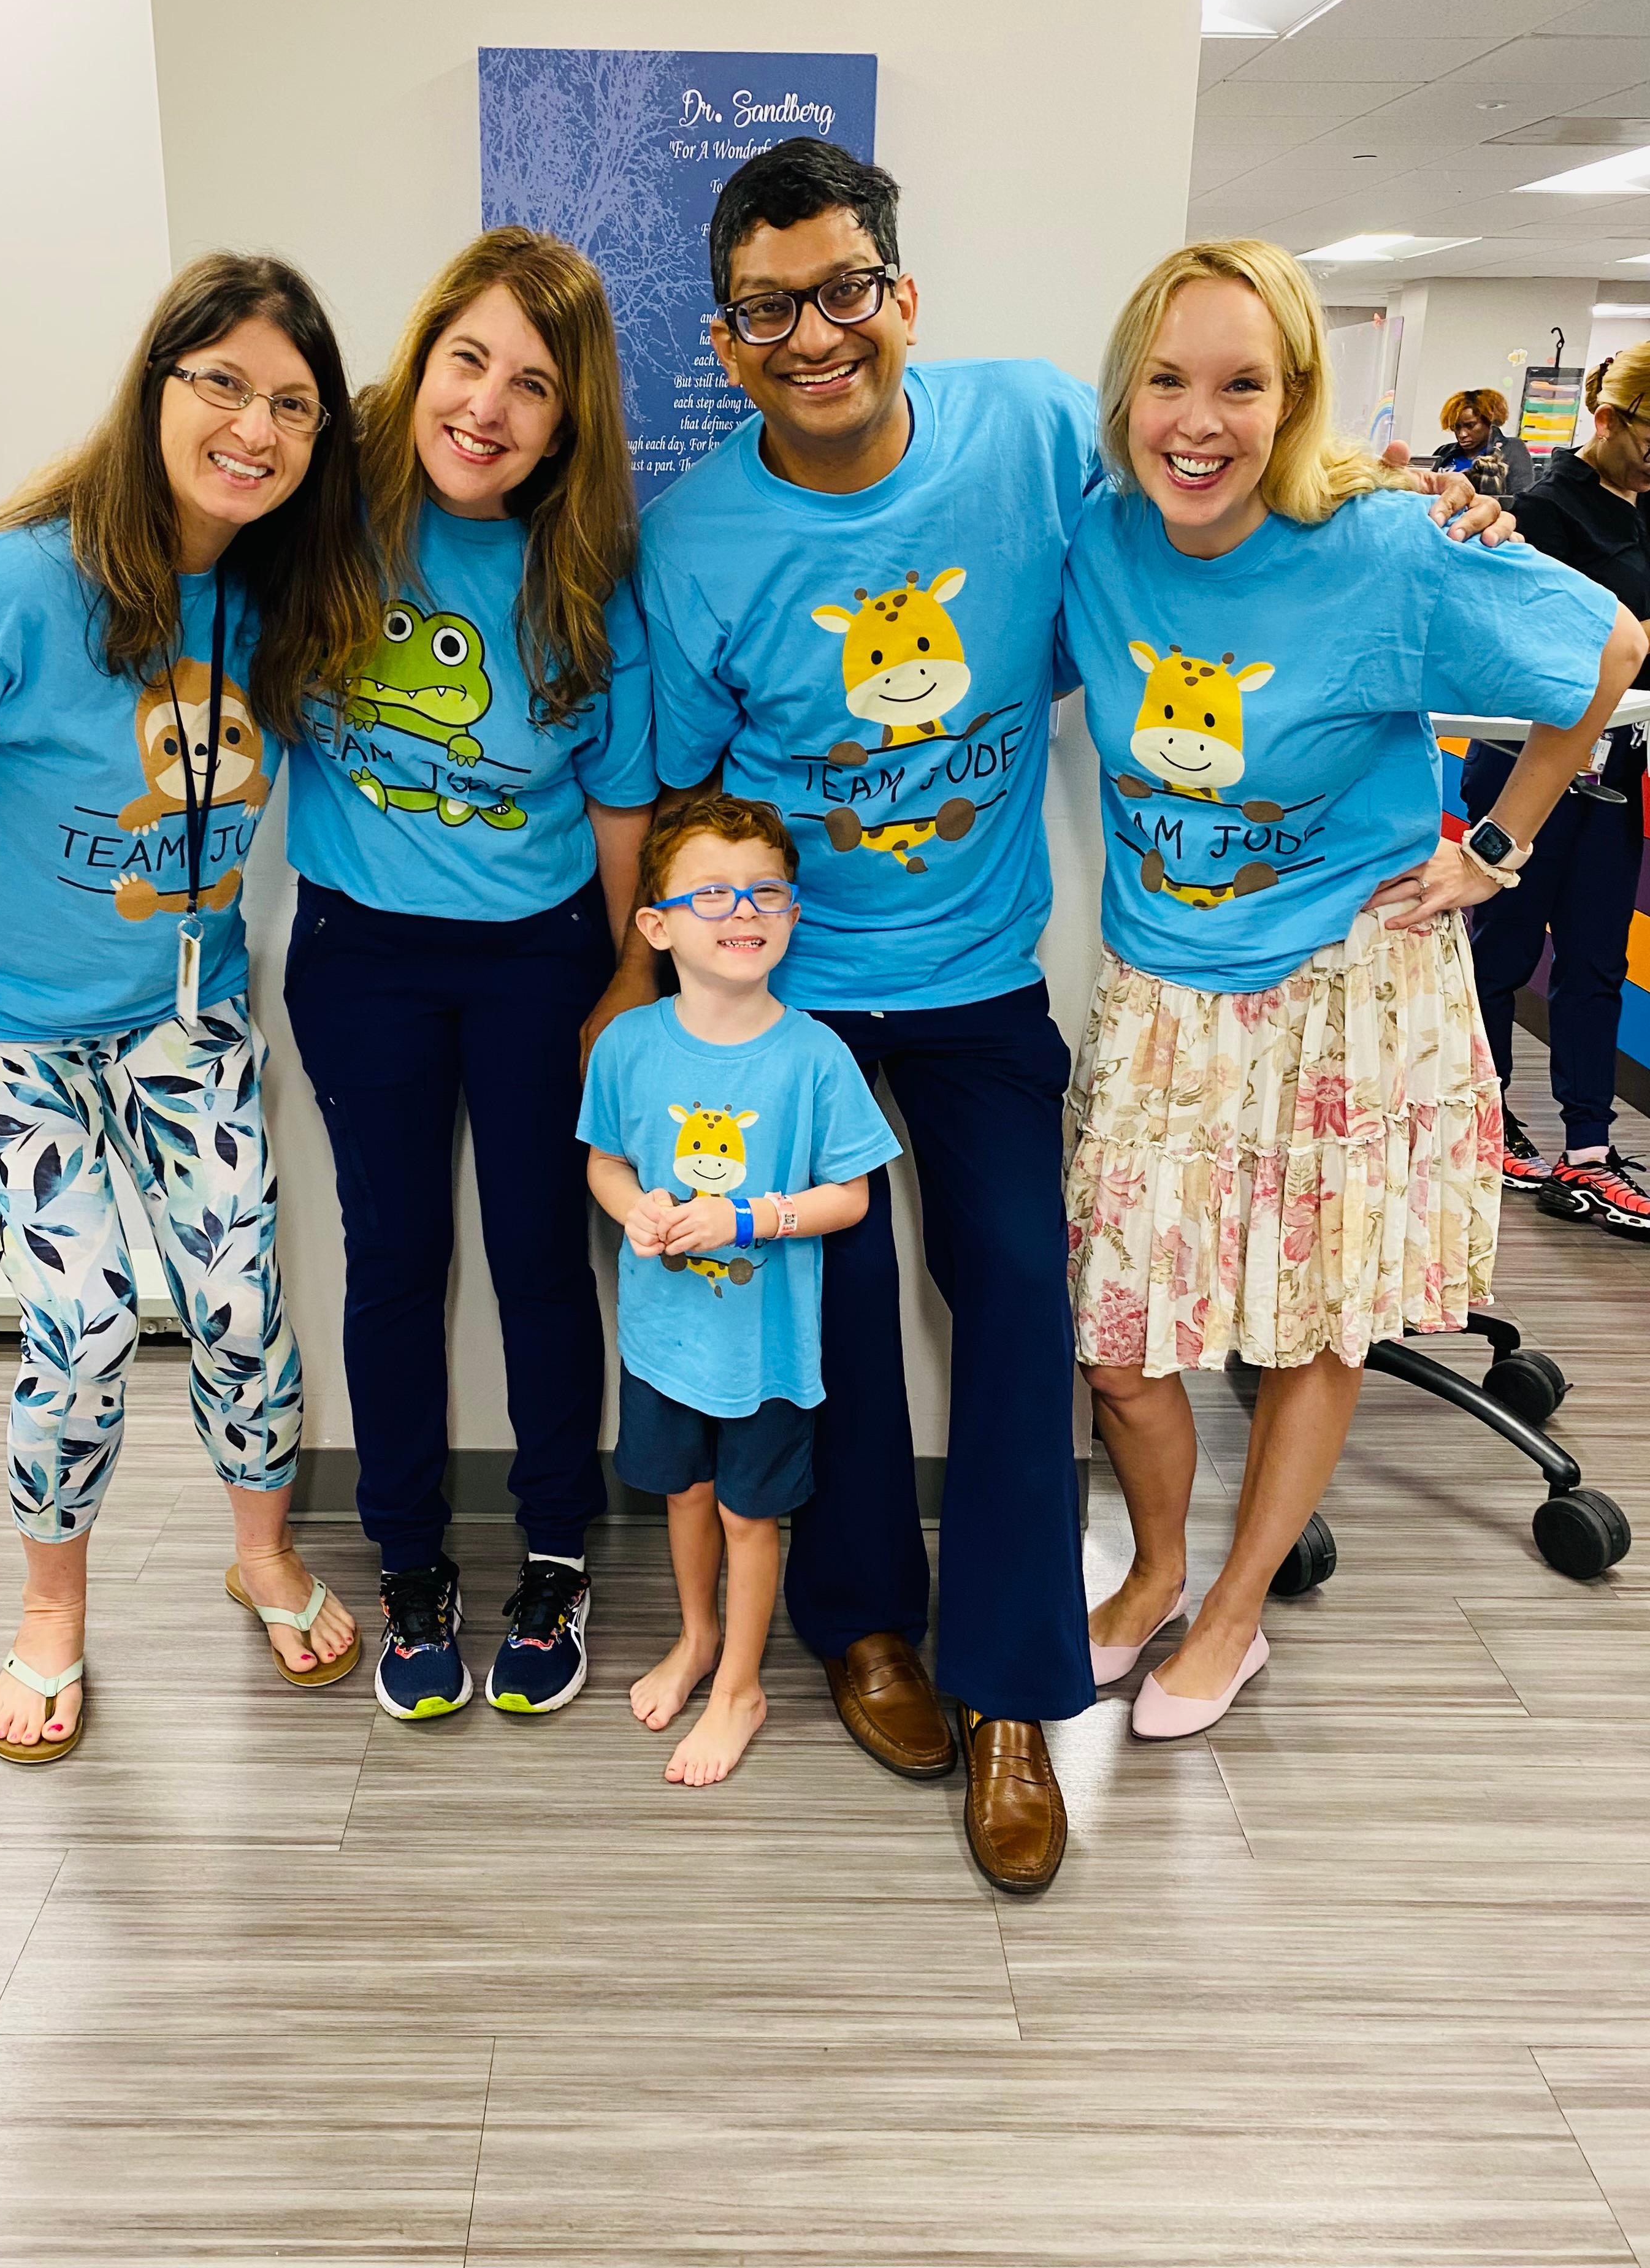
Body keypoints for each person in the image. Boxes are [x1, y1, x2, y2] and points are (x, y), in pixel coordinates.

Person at [636, 140, 1512, 1892]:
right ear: (724, 340)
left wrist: (1417, 505)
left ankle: (1016, 1691)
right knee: (833, 1314)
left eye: (843, 290)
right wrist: (651, 986)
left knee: (1030, 1310)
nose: (812, 334)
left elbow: (1211, 506)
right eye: (766, 308)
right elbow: (668, 790)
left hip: (974, 984)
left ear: (902, 294)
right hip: (793, 998)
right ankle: (868, 1630)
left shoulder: (1033, 429)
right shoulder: (696, 537)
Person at [0, 252, 381, 1762]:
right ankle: (51, 1608)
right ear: (157, 386)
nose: (256, 427)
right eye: (225, 384)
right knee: (85, 1317)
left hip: (179, 1012)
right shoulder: (13, 586)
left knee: (245, 1299)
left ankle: (259, 1551)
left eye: (296, 405)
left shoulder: (274, 589)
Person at [1062, 238, 1644, 1741]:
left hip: (1347, 991)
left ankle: (1237, 1616)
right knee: (1122, 1346)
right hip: (1165, 1000)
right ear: (1129, 394)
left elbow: (1611, 647)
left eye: (1243, 385)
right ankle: (1153, 1578)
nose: (1201, 421)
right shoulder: (1095, 542)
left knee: (1314, 1328)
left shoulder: (1384, 542)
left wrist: (1503, 844)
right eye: (1171, 382)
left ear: (1296, 396)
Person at [283, 227, 657, 1724]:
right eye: (468, 361)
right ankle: (412, 1570)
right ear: (421, 355)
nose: (488, 407)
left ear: (570, 421)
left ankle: (559, 1552)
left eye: (533, 387)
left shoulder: (587, 569)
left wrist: (627, 978)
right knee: (393, 1265)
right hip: (358, 959)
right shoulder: (324, 516)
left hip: (537, 963)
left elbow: (624, 802)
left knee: (538, 1262)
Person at [580, 793, 898, 1784]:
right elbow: (603, 1162)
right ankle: (697, 1638)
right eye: (709, 891)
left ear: (792, 912)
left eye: (763, 888)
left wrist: (744, 1219)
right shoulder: (629, 1045)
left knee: (747, 1517)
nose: (740, 908)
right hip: (663, 1341)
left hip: (763, 1352)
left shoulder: (812, 1055)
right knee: (683, 1493)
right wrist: (631, 1207)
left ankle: (740, 1689)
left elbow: (849, 1198)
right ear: (656, 922)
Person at [1468, 341, 1650, 1233]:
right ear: (1610, 418)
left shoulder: (1647, 512)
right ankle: (1485, 1118)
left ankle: (1588, 1147)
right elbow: (1535, 645)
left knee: (1594, 962)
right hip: (1527, 766)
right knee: (1502, 951)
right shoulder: (1545, 509)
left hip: (1619, 774)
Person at [1432, 389, 1532, 498]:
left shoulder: (1512, 449)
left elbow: (1521, 497)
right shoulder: (1444, 452)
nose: (1462, 434)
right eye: (1456, 427)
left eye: (1470, 426)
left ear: (1489, 422)